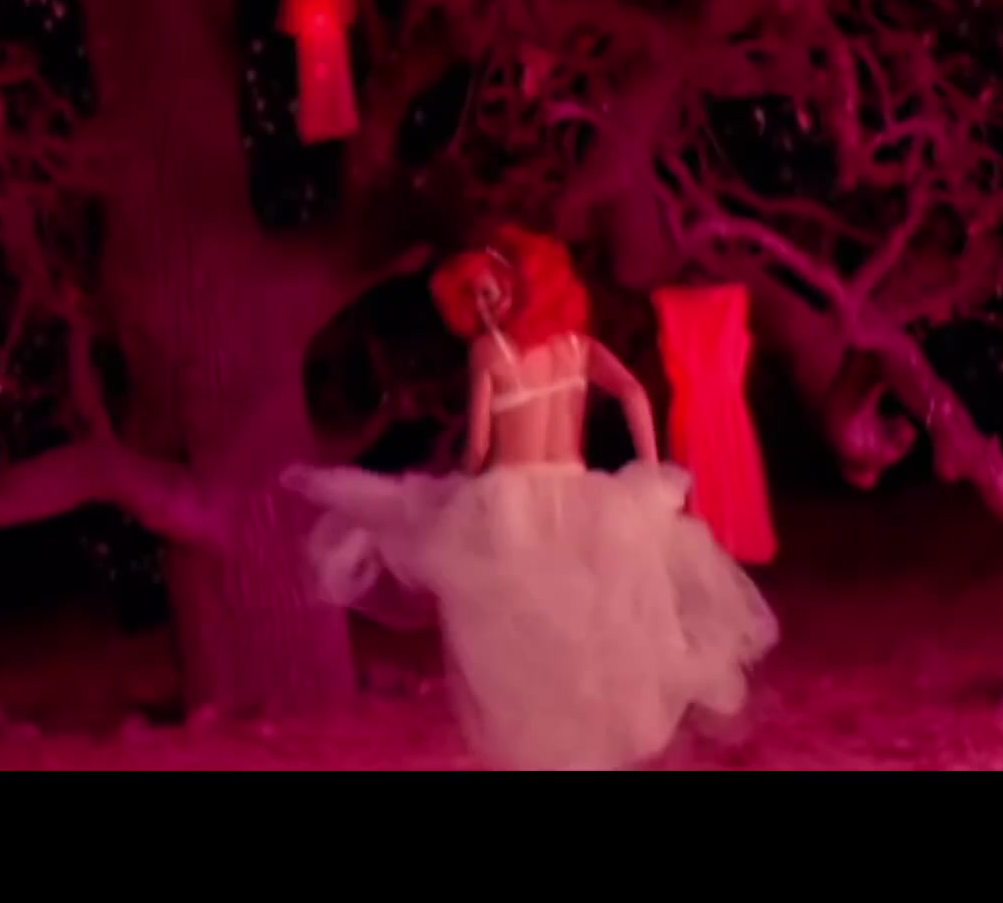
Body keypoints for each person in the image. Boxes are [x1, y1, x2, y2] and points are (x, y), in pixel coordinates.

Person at [281, 226, 778, 771]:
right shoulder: (577, 348)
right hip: (577, 494)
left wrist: (457, 484)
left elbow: (479, 446)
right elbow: (634, 393)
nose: (483, 307)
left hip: (515, 500)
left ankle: (556, 754)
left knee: (528, 637)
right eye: (475, 296)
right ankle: (579, 753)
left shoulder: (490, 354)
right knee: (574, 627)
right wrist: (650, 467)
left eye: (490, 292)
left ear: (522, 289)